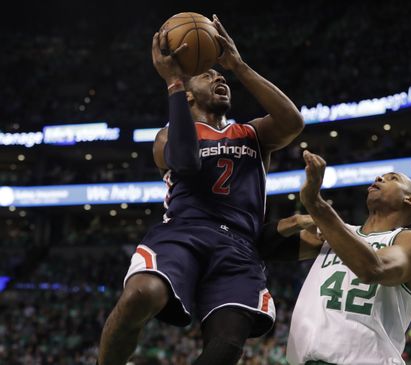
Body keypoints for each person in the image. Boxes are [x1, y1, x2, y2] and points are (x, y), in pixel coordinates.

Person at [97, 14, 304, 365]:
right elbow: (185, 161)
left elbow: (293, 122)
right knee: (139, 295)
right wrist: (173, 82)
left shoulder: (253, 134)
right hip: (184, 232)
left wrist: (238, 65)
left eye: (221, 75)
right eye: (208, 74)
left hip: (240, 245)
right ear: (188, 94)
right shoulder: (167, 135)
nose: (219, 77)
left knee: (225, 348)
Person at [286, 150, 411, 365]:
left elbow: (373, 269)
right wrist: (297, 220)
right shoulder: (335, 232)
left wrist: (315, 203)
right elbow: (265, 245)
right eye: (380, 176)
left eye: (393, 178)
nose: (379, 178)